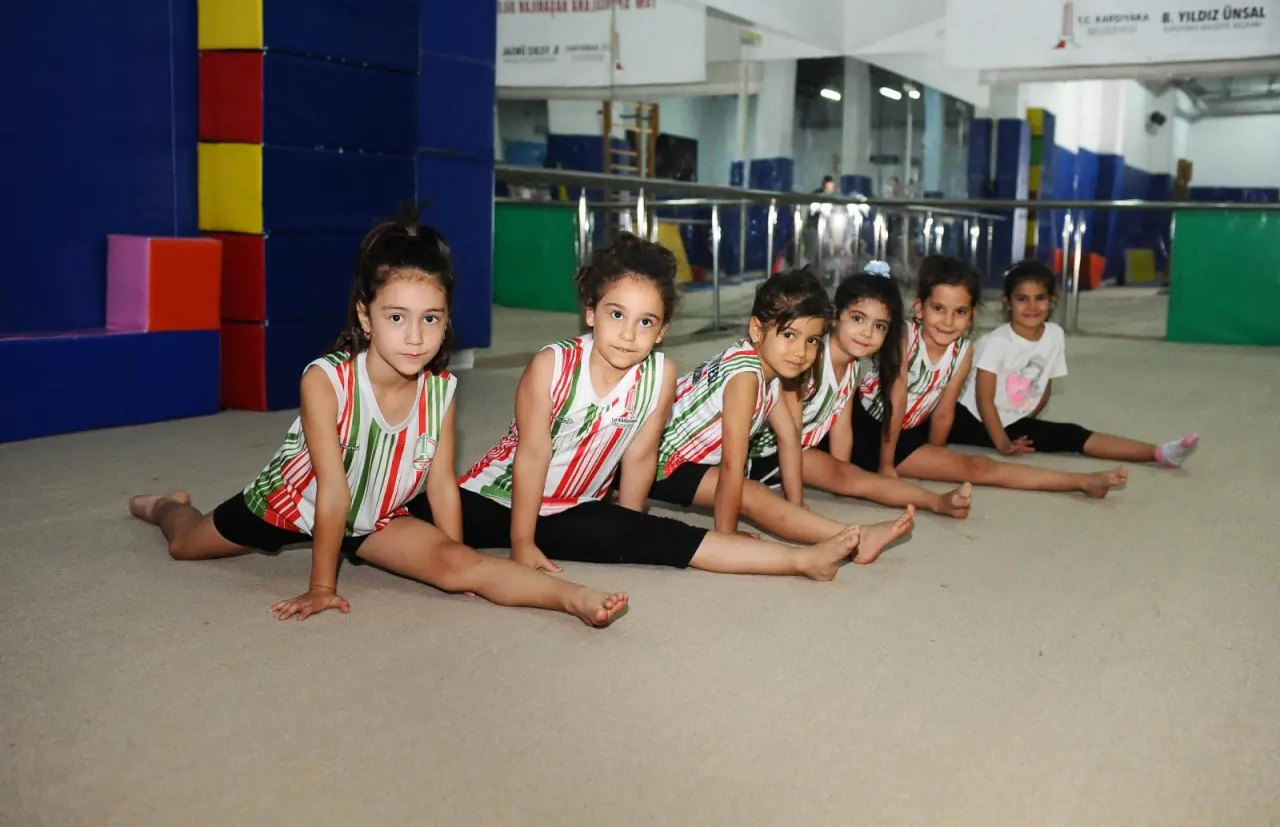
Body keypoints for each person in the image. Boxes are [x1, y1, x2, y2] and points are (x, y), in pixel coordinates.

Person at [128, 207, 628, 627]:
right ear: (365, 317)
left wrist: (453, 557)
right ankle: (166, 506)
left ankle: (576, 598)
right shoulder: (326, 381)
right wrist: (322, 587)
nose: (415, 337)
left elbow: (441, 487)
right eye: (396, 317)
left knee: (464, 566)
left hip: (375, 516)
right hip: (294, 501)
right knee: (187, 546)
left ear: (446, 321)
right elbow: (332, 491)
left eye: (430, 319)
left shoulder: (441, 391)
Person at [422, 234, 865, 581]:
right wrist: (521, 541)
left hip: (577, 505)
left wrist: (629, 528)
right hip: (501, 498)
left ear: (662, 330)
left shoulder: (660, 375)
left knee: (678, 539)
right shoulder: (551, 365)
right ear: (591, 312)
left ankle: (803, 560)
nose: (629, 334)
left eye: (646, 321)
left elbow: (639, 457)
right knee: (414, 524)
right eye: (617, 314)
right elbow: (533, 455)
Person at [648, 268, 916, 565]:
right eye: (789, 335)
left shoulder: (771, 372)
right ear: (756, 330)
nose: (800, 351)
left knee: (760, 488)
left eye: (812, 341)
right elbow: (731, 465)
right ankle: (856, 539)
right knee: (752, 494)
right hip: (660, 462)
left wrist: (796, 505)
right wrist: (727, 534)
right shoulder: (745, 377)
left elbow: (789, 438)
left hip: (682, 459)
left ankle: (850, 535)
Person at [851, 255, 1130, 498]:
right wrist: (886, 466)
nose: (948, 321)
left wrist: (937, 454)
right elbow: (896, 399)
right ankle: (1081, 481)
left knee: (977, 466)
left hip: (909, 426)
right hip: (868, 425)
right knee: (977, 468)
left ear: (972, 315)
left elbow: (944, 412)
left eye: (960, 312)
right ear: (919, 308)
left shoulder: (963, 352)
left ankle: (1083, 481)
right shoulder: (904, 336)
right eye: (938, 309)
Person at [747, 261, 974, 520]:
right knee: (843, 477)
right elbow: (790, 435)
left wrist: (842, 474)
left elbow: (841, 427)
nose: (867, 333)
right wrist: (796, 502)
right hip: (765, 452)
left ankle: (937, 501)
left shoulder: (853, 367)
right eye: (857, 318)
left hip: (797, 452)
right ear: (835, 316)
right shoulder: (808, 359)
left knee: (853, 477)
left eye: (879, 326)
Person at [949, 259, 1199, 466]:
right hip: (970, 418)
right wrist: (1002, 443)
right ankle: (1160, 453)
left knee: (1070, 434)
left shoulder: (1055, 335)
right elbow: (983, 400)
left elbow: (1043, 384)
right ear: (1007, 302)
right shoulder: (995, 342)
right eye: (1022, 299)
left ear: (1052, 301)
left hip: (1007, 418)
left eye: (1040, 298)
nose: (1032, 306)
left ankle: (1161, 452)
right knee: (1069, 434)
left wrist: (1026, 420)